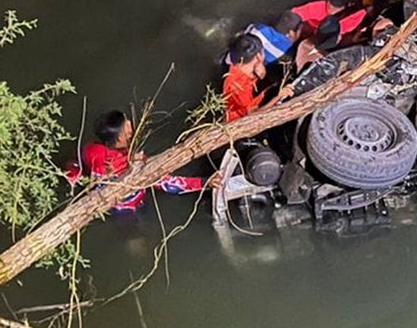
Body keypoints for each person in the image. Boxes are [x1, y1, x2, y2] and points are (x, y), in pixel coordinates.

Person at [64, 111, 204, 212]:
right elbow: (166, 183)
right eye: (128, 131)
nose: (132, 130)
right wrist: (203, 183)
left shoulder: (90, 150)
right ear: (119, 139)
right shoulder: (128, 163)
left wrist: (73, 181)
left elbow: (75, 166)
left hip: (108, 202)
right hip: (128, 207)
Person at [223, 34, 269, 122]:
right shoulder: (241, 87)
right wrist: (278, 97)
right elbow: (252, 115)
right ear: (258, 56)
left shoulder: (235, 67)